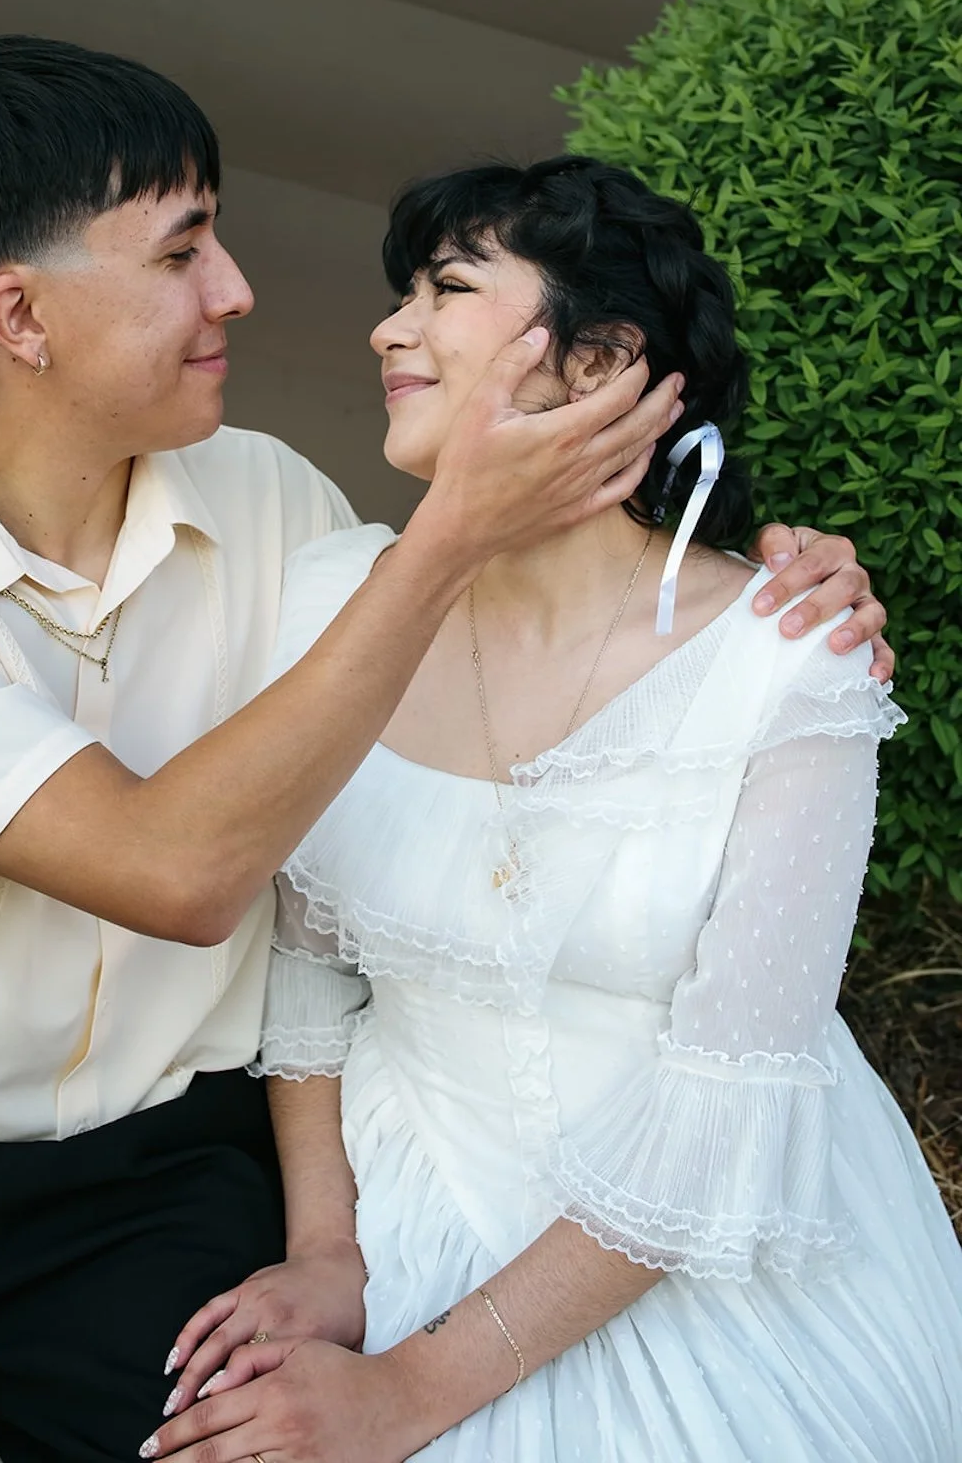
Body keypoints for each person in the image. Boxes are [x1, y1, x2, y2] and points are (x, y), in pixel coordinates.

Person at [0, 43, 886, 1463]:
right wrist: (452, 536)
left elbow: (531, 619)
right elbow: (175, 869)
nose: (238, 290)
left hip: (163, 1176)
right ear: (21, 316)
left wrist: (774, 580)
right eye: (184, 251)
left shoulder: (277, 510)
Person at [155, 157, 962, 1463]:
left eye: (447, 290)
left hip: (705, 1254)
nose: (388, 327)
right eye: (399, 293)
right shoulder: (331, 595)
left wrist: (409, 1396)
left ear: (599, 366)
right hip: (408, 1199)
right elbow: (304, 971)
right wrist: (328, 1253)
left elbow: (718, 1128)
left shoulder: (787, 667)